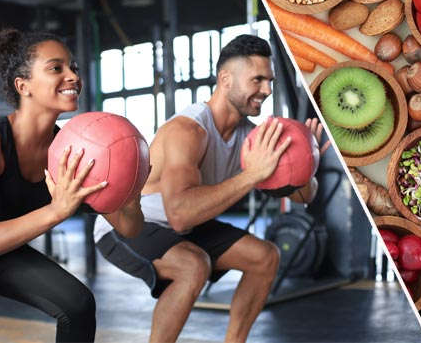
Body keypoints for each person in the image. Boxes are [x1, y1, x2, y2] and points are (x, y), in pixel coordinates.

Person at [93, 34, 330, 343]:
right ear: (225, 79)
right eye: (257, 80)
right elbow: (180, 216)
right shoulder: (187, 130)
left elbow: (303, 196)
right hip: (129, 224)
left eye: (270, 81)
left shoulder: (251, 139)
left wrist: (305, 165)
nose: (267, 90)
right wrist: (252, 175)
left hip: (185, 225)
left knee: (265, 257)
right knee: (193, 266)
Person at [0, 28, 145, 343]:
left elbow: (130, 227)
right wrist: (57, 211)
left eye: (73, 67)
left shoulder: (73, 149)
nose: (73, 76)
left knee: (78, 304)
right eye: (56, 68)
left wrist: (131, 189)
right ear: (24, 86)